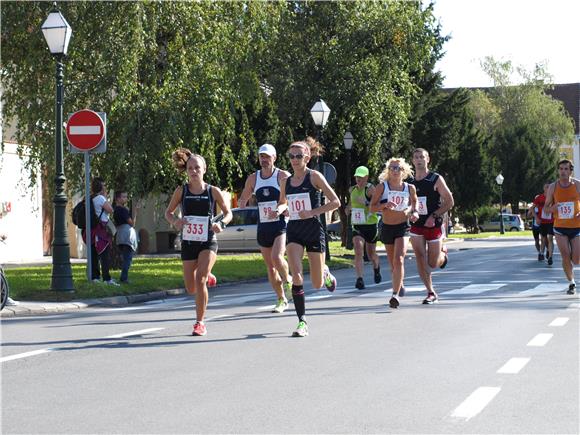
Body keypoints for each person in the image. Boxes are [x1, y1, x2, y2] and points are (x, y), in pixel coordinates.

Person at [165, 148, 232, 336]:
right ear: (186, 171)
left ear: (204, 169)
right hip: (188, 241)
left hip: (208, 240)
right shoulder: (181, 191)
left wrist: (221, 224)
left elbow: (228, 213)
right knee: (191, 287)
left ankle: (200, 322)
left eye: (197, 168)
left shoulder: (213, 191)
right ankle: (208, 275)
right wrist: (176, 221)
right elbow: (168, 213)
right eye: (190, 168)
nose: (194, 171)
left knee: (200, 279)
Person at [277, 141, 340, 337]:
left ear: (307, 158)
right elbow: (282, 202)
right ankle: (302, 321)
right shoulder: (285, 182)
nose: (294, 160)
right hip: (294, 230)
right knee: (296, 277)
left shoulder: (315, 177)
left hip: (313, 230)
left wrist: (312, 212)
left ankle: (325, 272)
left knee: (316, 284)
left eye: (298, 156)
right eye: (291, 156)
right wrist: (278, 210)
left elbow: (335, 202)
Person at [238, 143, 292, 313]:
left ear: (274, 158)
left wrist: (283, 208)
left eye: (267, 157)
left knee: (277, 257)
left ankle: (288, 279)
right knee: (270, 267)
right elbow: (243, 198)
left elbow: (291, 197)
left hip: (280, 224)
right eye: (262, 156)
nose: (264, 160)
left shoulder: (282, 176)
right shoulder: (253, 178)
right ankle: (281, 298)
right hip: (263, 226)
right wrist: (242, 202)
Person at [370, 157, 417, 308]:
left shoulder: (410, 188)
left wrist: (411, 212)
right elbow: (372, 208)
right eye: (392, 168)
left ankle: (394, 295)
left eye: (398, 168)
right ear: (388, 171)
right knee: (392, 264)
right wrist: (384, 205)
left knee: (399, 260)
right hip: (387, 227)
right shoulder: (382, 187)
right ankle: (399, 282)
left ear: (404, 172)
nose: (395, 171)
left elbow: (413, 205)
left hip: (403, 227)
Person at [409, 148, 454, 304]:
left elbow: (449, 201)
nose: (419, 159)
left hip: (433, 224)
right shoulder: (409, 182)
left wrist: (434, 215)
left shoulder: (435, 179)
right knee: (420, 258)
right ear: (413, 161)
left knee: (432, 263)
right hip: (416, 225)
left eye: (422, 157)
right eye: (416, 157)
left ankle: (443, 255)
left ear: (428, 159)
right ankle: (431, 292)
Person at [544, 159, 580, 295]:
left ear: (571, 171)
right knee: (565, 256)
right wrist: (552, 208)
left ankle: (572, 263)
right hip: (560, 227)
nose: (563, 171)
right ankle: (572, 283)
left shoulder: (577, 185)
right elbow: (546, 209)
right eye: (561, 169)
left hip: (576, 226)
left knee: (576, 260)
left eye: (566, 169)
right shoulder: (553, 187)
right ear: (558, 171)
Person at [347, 166, 381, 290]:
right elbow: (351, 203)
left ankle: (376, 268)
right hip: (357, 224)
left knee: (371, 254)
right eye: (357, 177)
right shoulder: (352, 190)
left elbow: (378, 205)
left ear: (366, 177)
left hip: (370, 225)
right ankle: (359, 279)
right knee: (358, 250)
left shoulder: (371, 189)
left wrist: (366, 203)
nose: (358, 179)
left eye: (361, 177)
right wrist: (348, 208)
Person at [87, 177, 118, 286]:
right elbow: (110, 210)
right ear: (101, 187)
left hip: (93, 229)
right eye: (104, 185)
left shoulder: (90, 198)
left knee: (94, 254)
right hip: (101, 229)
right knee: (104, 254)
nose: (105, 187)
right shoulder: (100, 198)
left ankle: (95, 277)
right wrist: (105, 197)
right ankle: (107, 279)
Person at [113, 191, 139, 283]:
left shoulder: (115, 209)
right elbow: (132, 223)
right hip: (127, 235)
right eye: (123, 197)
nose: (126, 198)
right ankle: (124, 278)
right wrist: (135, 213)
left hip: (120, 235)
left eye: (126, 197)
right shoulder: (123, 210)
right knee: (127, 258)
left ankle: (123, 277)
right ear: (118, 198)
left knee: (125, 257)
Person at [532, 184, 555, 265]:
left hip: (551, 222)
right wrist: (537, 218)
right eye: (546, 187)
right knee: (543, 239)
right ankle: (541, 253)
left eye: (549, 187)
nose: (548, 188)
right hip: (542, 222)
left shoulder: (554, 197)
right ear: (544, 188)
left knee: (550, 238)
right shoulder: (539, 198)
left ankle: (550, 257)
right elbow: (532, 209)